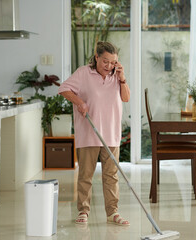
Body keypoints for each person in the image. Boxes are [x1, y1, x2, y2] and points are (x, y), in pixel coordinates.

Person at [58, 41, 130, 226]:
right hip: (89, 132)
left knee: (111, 175)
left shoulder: (116, 76)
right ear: (96, 57)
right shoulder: (83, 73)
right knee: (86, 174)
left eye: (113, 62)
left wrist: (122, 78)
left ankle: (113, 212)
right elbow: (63, 88)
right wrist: (79, 101)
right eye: (105, 61)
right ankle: (83, 211)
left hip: (111, 133)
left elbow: (126, 97)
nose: (109, 66)